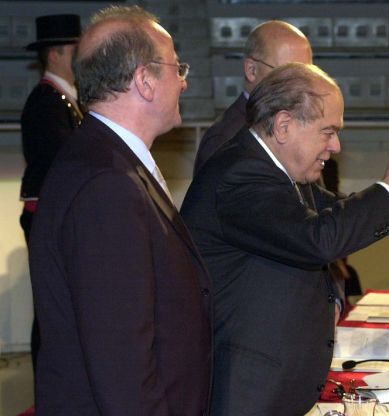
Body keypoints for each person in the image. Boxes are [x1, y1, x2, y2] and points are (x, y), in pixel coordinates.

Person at [180, 63, 389, 415]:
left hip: (270, 381)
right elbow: (317, 239)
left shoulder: (278, 169)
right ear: (284, 125)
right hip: (245, 388)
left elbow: (336, 213)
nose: (335, 145)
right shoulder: (240, 174)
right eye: (328, 131)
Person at [29, 6, 211, 415]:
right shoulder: (106, 184)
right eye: (177, 68)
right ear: (145, 81)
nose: (183, 82)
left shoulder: (108, 159)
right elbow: (122, 366)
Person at [19, 13, 82, 372]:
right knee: (50, 305)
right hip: (47, 217)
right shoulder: (47, 102)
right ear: (56, 54)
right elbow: (64, 162)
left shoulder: (65, 100)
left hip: (54, 215)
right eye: (77, 49)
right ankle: (46, 384)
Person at [193, 20, 312, 174]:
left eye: (307, 74)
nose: (300, 85)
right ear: (251, 70)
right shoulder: (225, 139)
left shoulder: (298, 125)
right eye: (287, 73)